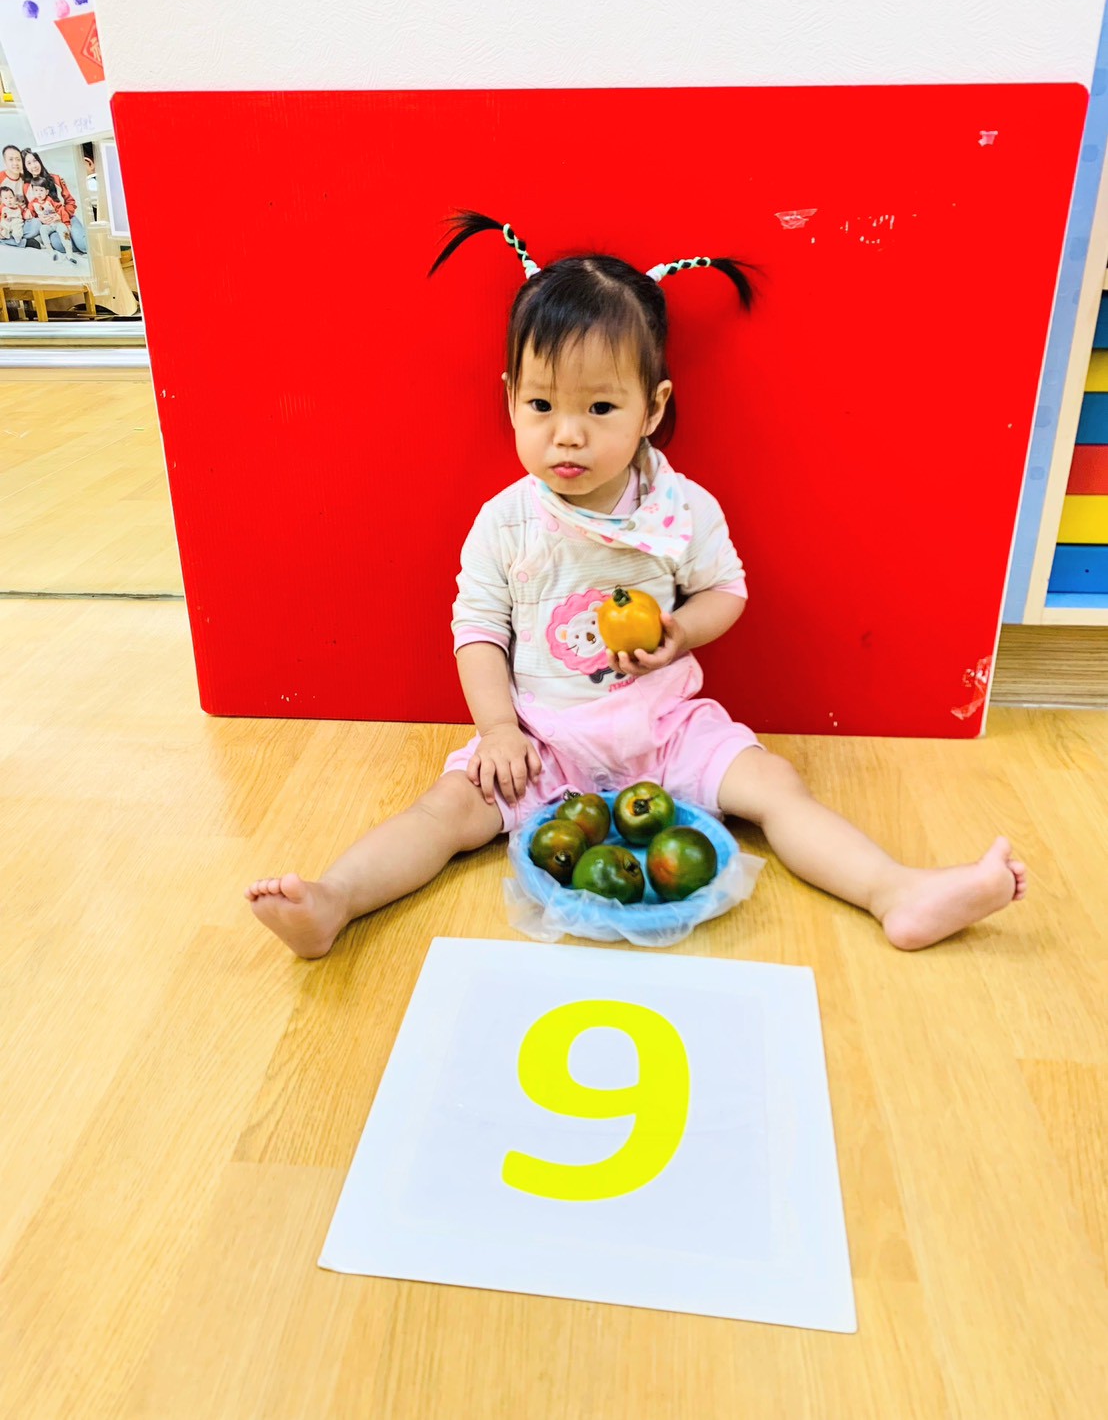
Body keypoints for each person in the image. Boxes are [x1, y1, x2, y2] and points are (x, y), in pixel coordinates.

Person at [246, 210, 1027, 958]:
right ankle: (335, 900)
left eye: (600, 406)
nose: (568, 433)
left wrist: (683, 632)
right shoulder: (506, 521)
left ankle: (895, 891)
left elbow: (726, 591)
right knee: (446, 810)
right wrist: (498, 730)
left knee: (776, 784)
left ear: (652, 408)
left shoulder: (677, 507)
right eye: (541, 404)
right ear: (510, 397)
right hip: (543, 739)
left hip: (664, 725)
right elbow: (477, 629)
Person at [22, 147, 88, 255]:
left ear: (39, 161)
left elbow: (70, 201)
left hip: (67, 217)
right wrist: (39, 218)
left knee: (83, 246)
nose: (33, 165)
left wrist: (62, 217)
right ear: (25, 167)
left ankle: (78, 240)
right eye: (29, 163)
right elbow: (31, 210)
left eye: (35, 160)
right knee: (59, 245)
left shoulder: (55, 178)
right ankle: (72, 242)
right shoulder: (26, 187)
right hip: (50, 225)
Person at [24, 180, 79, 263]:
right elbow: (32, 215)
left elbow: (61, 210)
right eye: (36, 190)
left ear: (46, 192)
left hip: (57, 223)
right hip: (47, 225)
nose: (39, 193)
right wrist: (29, 214)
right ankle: (50, 250)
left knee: (64, 230)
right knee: (42, 230)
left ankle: (69, 252)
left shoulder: (50, 200)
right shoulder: (32, 204)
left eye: (41, 190)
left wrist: (66, 223)